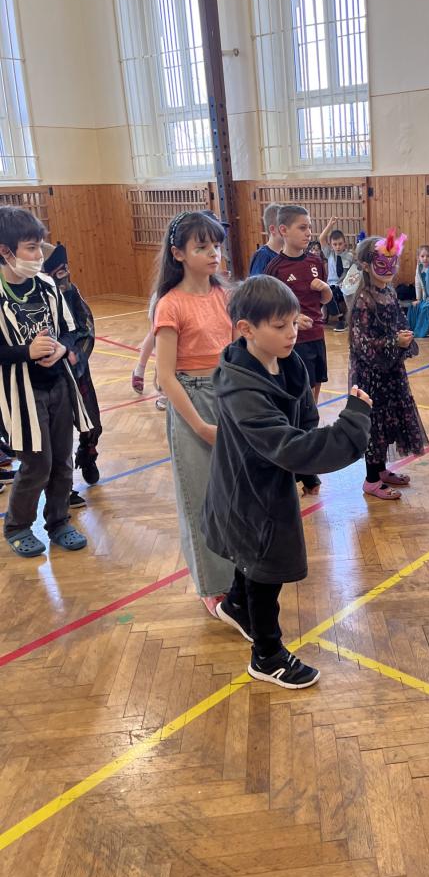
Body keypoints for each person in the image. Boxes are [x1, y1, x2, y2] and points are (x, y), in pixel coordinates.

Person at [202, 276, 372, 688]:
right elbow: (290, 444)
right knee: (266, 567)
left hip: (267, 483)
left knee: (255, 556)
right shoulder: (242, 390)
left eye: (294, 322)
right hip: (248, 492)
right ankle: (267, 655)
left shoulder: (286, 361)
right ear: (246, 329)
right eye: (280, 326)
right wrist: (352, 424)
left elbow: (303, 418)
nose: (292, 333)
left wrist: (306, 472)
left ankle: (237, 604)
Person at [154, 210, 235, 615]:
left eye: (216, 245)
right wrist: (201, 426)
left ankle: (237, 572)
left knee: (233, 493)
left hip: (227, 396)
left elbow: (236, 352)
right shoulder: (170, 304)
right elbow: (165, 377)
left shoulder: (224, 295)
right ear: (179, 254)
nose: (213, 253)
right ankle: (213, 584)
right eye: (202, 247)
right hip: (192, 402)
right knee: (201, 498)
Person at [0, 206, 91, 557]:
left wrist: (63, 349)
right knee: (37, 463)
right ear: (5, 251)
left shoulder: (48, 286)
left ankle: (58, 521)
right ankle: (18, 526)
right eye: (31, 248)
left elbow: (70, 330)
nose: (39, 255)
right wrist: (27, 351)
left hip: (58, 385)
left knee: (62, 461)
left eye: (39, 246)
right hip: (21, 394)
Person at [348, 232, 427, 500]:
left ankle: (380, 470)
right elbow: (361, 343)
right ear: (366, 265)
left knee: (387, 420)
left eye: (393, 261)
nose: (390, 269)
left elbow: (399, 321)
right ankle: (371, 480)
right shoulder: (363, 299)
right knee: (375, 424)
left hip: (390, 370)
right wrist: (394, 341)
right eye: (382, 263)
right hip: (370, 375)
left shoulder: (389, 292)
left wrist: (404, 335)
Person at [42, 243, 102, 504]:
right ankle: (61, 490)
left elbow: (87, 328)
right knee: (58, 434)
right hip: (51, 377)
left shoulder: (72, 292)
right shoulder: (38, 298)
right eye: (58, 271)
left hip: (77, 371)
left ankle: (88, 456)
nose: (64, 275)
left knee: (92, 424)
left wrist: (75, 353)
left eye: (65, 269)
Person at [266, 205, 332, 403]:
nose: (308, 233)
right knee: (302, 390)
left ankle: (313, 418)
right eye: (302, 228)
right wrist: (293, 319)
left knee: (317, 383)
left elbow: (323, 300)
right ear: (283, 230)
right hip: (294, 340)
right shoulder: (275, 268)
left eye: (310, 227)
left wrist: (326, 289)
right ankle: (302, 421)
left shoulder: (315, 262)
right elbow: (269, 309)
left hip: (317, 334)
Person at [319, 216, 355, 332]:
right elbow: (321, 238)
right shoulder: (329, 254)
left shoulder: (350, 257)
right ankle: (338, 318)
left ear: (345, 244)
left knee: (333, 293)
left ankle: (343, 320)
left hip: (344, 286)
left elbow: (354, 273)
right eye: (335, 244)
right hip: (331, 285)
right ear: (331, 245)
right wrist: (330, 225)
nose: (338, 247)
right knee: (325, 292)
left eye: (340, 244)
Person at [248, 202, 283, 276]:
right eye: (284, 227)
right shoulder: (263, 255)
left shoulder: (284, 254)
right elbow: (256, 282)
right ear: (273, 229)